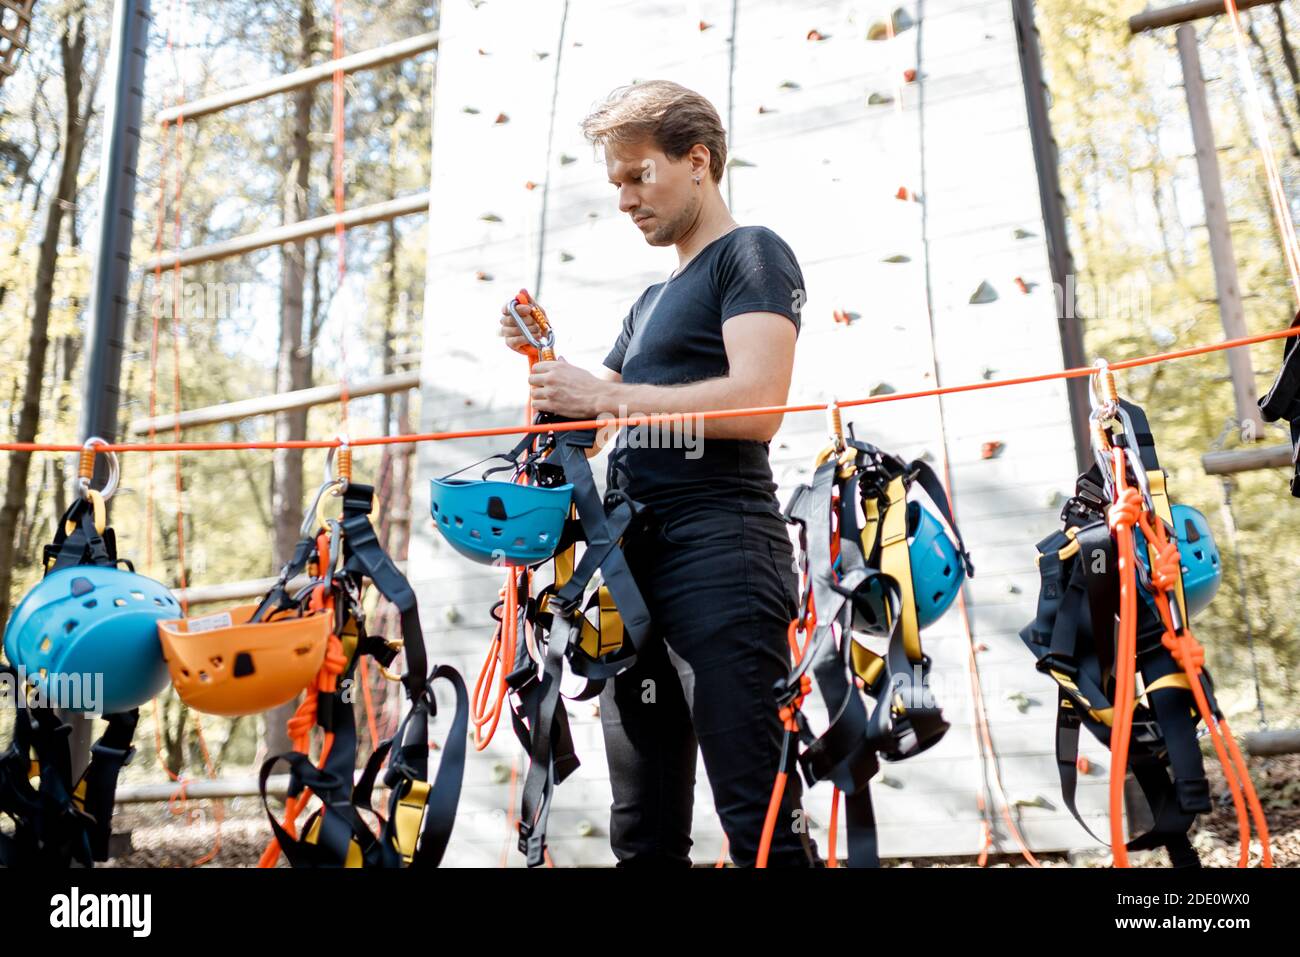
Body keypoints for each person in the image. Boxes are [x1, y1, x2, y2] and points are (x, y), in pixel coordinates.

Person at [498, 80, 816, 867]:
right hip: (629, 575)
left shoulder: (752, 255)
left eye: (639, 175)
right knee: (641, 834)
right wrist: (544, 363)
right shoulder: (647, 303)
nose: (624, 199)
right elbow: (599, 424)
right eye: (616, 183)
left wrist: (611, 395)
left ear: (698, 161)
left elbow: (757, 404)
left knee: (760, 814)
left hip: (722, 555)